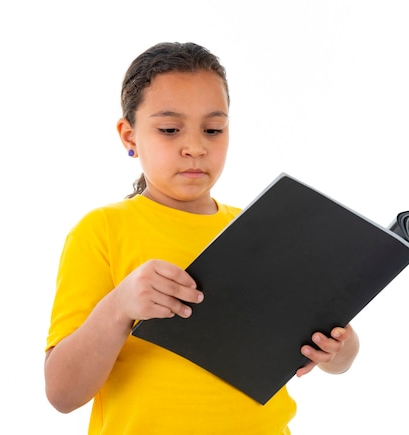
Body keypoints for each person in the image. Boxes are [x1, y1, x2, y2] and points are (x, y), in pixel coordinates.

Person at [44, 41, 360, 434]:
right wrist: (120, 306)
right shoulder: (102, 230)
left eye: (213, 129)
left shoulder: (260, 229)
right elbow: (62, 392)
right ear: (129, 136)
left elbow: (330, 350)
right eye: (170, 129)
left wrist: (339, 351)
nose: (195, 147)